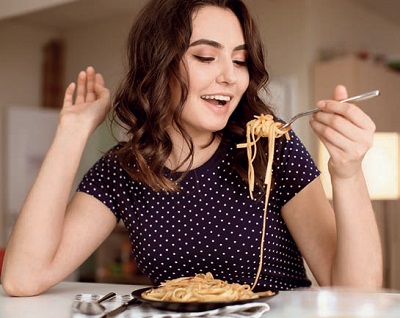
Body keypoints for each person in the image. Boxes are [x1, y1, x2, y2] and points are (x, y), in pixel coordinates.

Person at [2, 0, 382, 296]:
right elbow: (22, 278)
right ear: (158, 66)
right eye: (205, 57)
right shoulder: (124, 171)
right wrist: (72, 131)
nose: (230, 76)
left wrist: (347, 173)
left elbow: (354, 291)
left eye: (240, 60)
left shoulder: (270, 148)